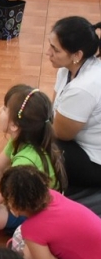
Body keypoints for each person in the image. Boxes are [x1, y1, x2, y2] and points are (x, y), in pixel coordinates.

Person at [0, 84, 67, 245]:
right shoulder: (22, 139)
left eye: (4, 109)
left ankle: (12, 230)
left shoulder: (26, 160)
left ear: (14, 125)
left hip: (33, 214)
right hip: (21, 198)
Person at [0, 165, 101, 259]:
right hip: (90, 249)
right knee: (22, 232)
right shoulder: (52, 195)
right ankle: (28, 255)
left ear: (14, 207)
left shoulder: (32, 229)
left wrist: (35, 255)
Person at [47, 16, 101, 191]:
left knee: (38, 140)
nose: (48, 53)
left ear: (77, 55)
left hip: (95, 163)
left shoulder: (83, 88)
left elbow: (60, 133)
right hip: (77, 146)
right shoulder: (66, 70)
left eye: (55, 49)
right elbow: (53, 113)